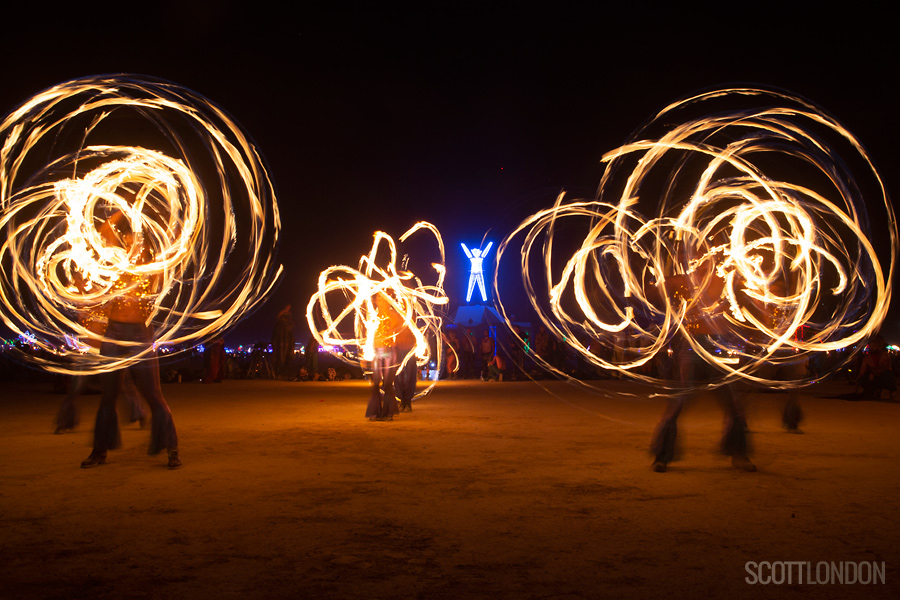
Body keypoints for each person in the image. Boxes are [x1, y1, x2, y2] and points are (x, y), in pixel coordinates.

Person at [80, 210, 181, 470]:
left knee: (154, 395)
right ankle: (99, 451)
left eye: (136, 241)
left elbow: (178, 244)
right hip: (113, 335)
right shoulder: (117, 267)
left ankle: (172, 449)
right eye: (126, 241)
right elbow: (103, 232)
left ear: (146, 246)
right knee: (108, 397)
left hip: (140, 336)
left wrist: (176, 216)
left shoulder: (153, 268)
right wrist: (122, 209)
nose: (130, 245)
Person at [650, 250, 755, 473]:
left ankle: (739, 455)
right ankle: (662, 457)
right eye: (698, 255)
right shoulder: (684, 281)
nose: (702, 259)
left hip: (718, 346)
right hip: (691, 346)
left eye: (707, 254)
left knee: (733, 404)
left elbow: (749, 294)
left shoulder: (726, 280)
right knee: (678, 403)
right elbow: (655, 288)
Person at [365, 293, 402, 421]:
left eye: (383, 298)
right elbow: (368, 334)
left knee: (387, 383)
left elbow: (400, 329)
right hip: (376, 350)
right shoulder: (371, 315)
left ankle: (388, 412)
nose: (381, 301)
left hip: (390, 351)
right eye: (378, 298)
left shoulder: (394, 315)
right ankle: (375, 412)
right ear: (375, 300)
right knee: (376, 383)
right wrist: (366, 354)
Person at [857, 336, 896, 400]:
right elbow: (862, 371)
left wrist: (874, 372)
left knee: (887, 374)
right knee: (867, 376)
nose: (872, 347)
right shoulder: (868, 358)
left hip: (882, 375)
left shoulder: (884, 355)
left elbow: (888, 368)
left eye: (874, 345)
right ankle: (871, 391)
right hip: (873, 375)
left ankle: (890, 392)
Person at [271, 304, 294, 379]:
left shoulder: (289, 315)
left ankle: (283, 371)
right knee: (280, 354)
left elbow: (291, 323)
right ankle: (277, 372)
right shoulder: (282, 314)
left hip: (286, 334)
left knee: (285, 353)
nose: (288, 308)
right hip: (281, 334)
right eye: (287, 306)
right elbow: (277, 319)